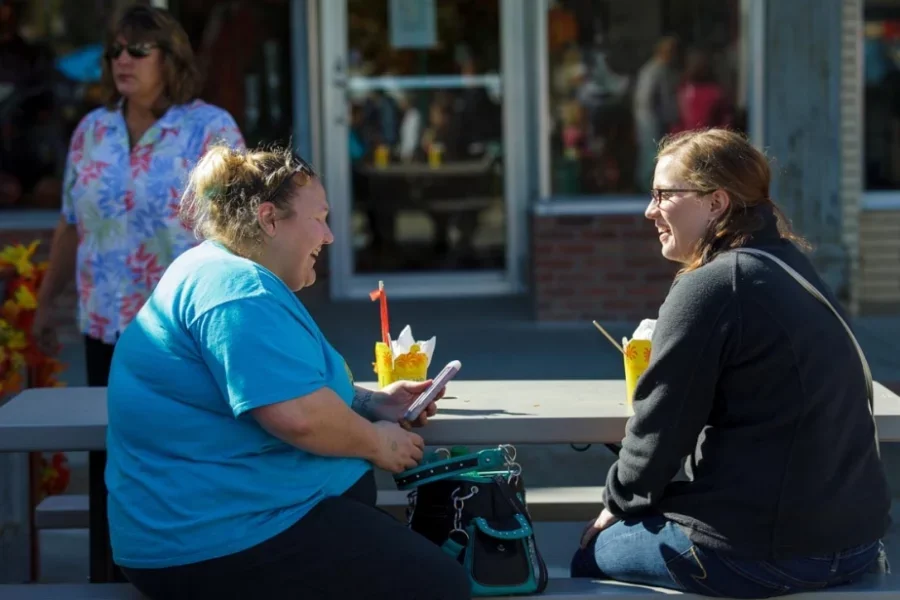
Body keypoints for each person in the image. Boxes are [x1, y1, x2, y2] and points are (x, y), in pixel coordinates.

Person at [105, 144, 471, 600]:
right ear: (269, 219)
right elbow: (295, 414)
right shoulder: (235, 290)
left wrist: (372, 402)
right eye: (318, 218)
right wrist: (379, 442)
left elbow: (285, 385)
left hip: (238, 526)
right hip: (220, 542)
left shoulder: (223, 273)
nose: (330, 236)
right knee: (441, 586)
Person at [571, 129, 891, 598]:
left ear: (716, 203)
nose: (649, 210)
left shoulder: (712, 284)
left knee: (584, 555)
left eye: (664, 194)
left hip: (767, 555)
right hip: (857, 541)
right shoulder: (787, 263)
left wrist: (614, 506)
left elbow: (660, 431)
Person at [32, 4, 244, 387]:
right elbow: (71, 225)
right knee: (104, 436)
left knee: (174, 441)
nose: (123, 60)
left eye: (138, 50)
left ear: (170, 57)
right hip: (103, 325)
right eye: (115, 51)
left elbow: (240, 231)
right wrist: (43, 307)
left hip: (180, 330)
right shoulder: (91, 131)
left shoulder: (209, 128)